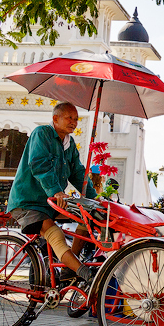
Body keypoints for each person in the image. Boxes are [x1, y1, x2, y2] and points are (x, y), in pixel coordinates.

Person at [7, 102, 97, 284]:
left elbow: (78, 173)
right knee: (55, 234)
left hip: (52, 203)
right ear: (55, 118)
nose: (74, 122)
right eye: (69, 118)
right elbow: (39, 164)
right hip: (29, 201)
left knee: (87, 217)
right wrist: (56, 191)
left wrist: (94, 199)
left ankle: (68, 268)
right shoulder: (42, 134)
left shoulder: (69, 144)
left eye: (76, 119)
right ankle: (83, 272)